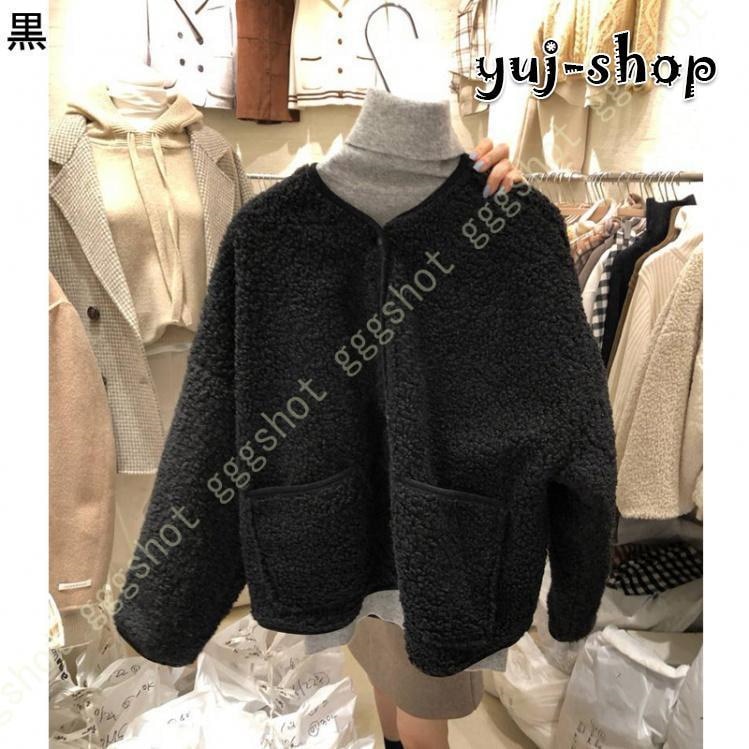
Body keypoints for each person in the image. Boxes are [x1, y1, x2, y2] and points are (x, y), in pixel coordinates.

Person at [348, 138, 524, 749]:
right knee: (396, 662)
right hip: (394, 501)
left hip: (425, 503)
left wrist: (506, 209)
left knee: (409, 667)